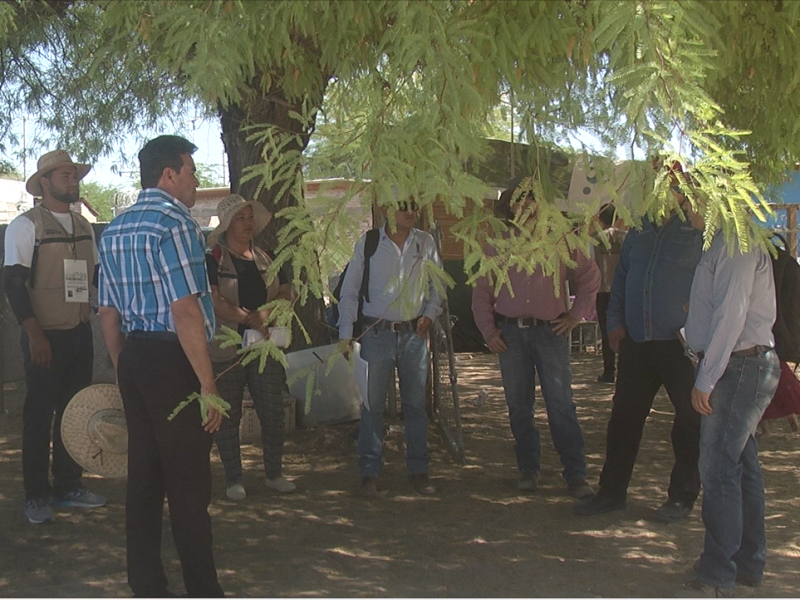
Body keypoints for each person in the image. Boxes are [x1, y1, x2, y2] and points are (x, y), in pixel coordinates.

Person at [97, 135, 224, 598]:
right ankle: (203, 589)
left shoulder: (115, 228)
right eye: (191, 170)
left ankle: (146, 583)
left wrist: (121, 366)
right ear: (168, 175)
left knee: (145, 477)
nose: (195, 180)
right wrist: (207, 383)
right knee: (189, 480)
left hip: (135, 355)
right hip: (174, 359)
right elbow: (185, 309)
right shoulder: (176, 224)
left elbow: (107, 312)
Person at [576, 184, 703, 521]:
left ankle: (682, 496)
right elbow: (622, 279)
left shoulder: (697, 229)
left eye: (674, 185)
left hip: (683, 347)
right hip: (638, 342)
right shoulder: (639, 227)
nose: (665, 189)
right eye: (658, 182)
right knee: (623, 419)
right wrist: (615, 321)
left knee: (690, 422)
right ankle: (612, 492)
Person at [471, 177, 599, 499]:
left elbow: (589, 276)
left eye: (531, 199)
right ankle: (528, 469)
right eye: (519, 199)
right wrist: (489, 332)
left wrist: (576, 315)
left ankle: (576, 474)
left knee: (561, 405)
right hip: (511, 335)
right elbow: (482, 292)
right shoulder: (499, 243)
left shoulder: (561, 238)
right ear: (510, 205)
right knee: (518, 406)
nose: (525, 205)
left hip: (551, 332)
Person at [3, 149, 107, 525]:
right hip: (43, 337)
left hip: (79, 333)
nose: (71, 180)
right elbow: (14, 284)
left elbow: (95, 279)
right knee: (38, 415)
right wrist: (34, 335)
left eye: (74, 174)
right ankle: (36, 495)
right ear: (43, 183)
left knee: (73, 413)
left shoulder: (83, 227)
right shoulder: (26, 226)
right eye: (63, 175)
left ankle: (68, 486)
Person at [681, 231, 779, 597]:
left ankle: (717, 573)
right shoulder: (722, 241)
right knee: (742, 464)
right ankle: (747, 562)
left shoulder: (737, 242)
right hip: (738, 365)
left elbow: (732, 316)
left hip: (737, 367)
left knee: (719, 469)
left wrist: (706, 378)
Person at [338, 196, 443, 497]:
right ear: (387, 209)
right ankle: (369, 472)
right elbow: (350, 291)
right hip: (376, 333)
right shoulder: (369, 244)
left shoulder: (425, 243)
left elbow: (438, 287)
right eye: (403, 206)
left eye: (414, 207)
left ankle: (418, 470)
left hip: (414, 335)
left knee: (415, 406)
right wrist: (346, 333)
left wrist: (429, 315)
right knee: (372, 407)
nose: (411, 212)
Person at [205, 193, 295, 500]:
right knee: (227, 415)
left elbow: (286, 292)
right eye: (240, 218)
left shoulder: (267, 256)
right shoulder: (213, 258)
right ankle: (234, 480)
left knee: (272, 410)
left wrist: (265, 315)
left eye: (250, 217)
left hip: (264, 346)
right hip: (227, 348)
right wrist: (247, 318)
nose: (247, 223)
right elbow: (213, 300)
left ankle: (274, 473)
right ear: (227, 224)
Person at [593, 204, 627, 384]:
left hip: (602, 289)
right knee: (624, 330)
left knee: (606, 332)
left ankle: (608, 370)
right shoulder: (626, 238)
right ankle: (624, 369)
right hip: (622, 290)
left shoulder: (594, 239)